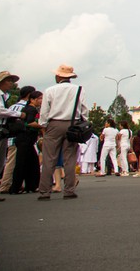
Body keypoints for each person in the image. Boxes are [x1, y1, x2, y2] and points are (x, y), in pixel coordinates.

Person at [37, 64, 88, 201]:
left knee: (49, 158)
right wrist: (83, 123)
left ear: (59, 76)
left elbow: (44, 111)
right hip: (73, 124)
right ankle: (69, 190)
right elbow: (84, 110)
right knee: (70, 158)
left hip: (54, 123)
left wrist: (43, 125)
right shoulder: (79, 90)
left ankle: (44, 191)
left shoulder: (50, 90)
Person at [0, 71, 21, 204]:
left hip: (0, 129)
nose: (11, 83)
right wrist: (17, 114)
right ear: (0, 82)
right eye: (9, 80)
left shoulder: (2, 95)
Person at [9, 91, 43, 194]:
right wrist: (42, 125)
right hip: (25, 139)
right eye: (40, 98)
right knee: (22, 163)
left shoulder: (28, 109)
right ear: (32, 99)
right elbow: (30, 122)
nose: (41, 101)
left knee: (31, 163)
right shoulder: (31, 109)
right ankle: (15, 187)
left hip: (26, 139)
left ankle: (31, 185)